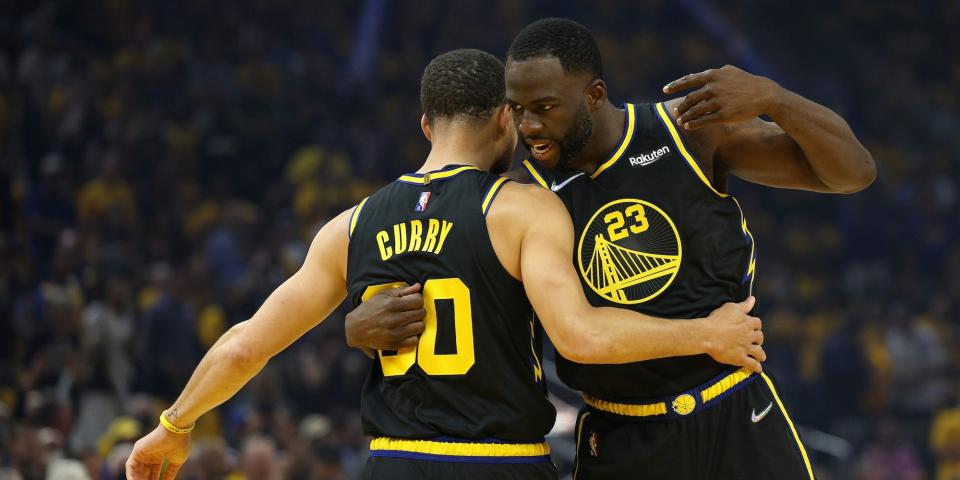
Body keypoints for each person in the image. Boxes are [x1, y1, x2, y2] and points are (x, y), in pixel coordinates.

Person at [124, 49, 764, 480]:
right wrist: (708, 333)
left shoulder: (350, 226)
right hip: (501, 461)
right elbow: (583, 337)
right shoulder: (522, 211)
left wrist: (173, 426)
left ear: (426, 126)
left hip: (395, 462)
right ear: (504, 119)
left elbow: (243, 349)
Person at [348, 18, 876, 480]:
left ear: (595, 95)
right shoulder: (517, 193)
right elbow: (440, 263)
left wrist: (776, 99)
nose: (529, 126)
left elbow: (853, 174)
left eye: (545, 108)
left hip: (733, 407)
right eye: (517, 110)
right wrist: (355, 326)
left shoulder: (689, 132)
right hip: (620, 431)